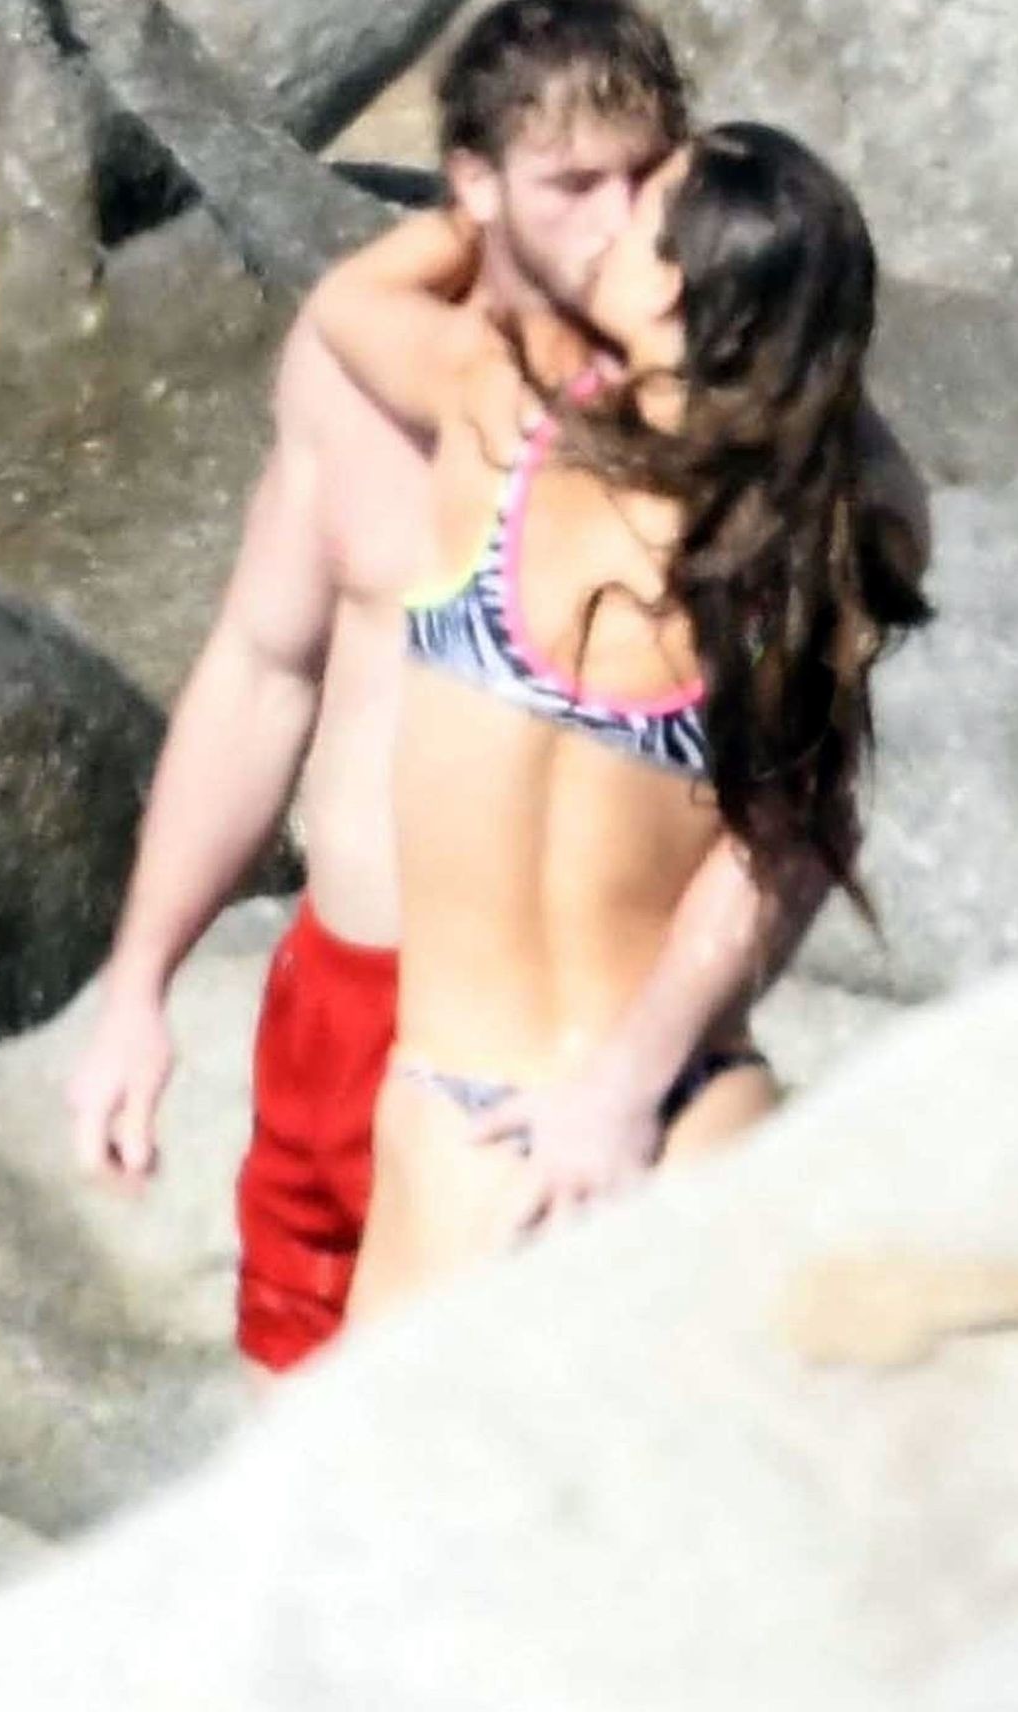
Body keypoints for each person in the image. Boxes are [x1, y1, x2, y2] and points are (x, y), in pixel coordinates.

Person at [65, 0, 877, 1374]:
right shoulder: (394, 379)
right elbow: (260, 674)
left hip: (598, 1045)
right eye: (572, 185)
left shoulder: (765, 451)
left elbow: (797, 813)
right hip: (359, 1009)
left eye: (645, 183)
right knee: (314, 1443)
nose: (614, 220)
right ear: (475, 186)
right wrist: (138, 984)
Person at [307, 122, 933, 1318]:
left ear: (670, 296)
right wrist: (623, 1092)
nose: (603, 217)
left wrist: (496, 197)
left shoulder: (498, 415)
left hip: (469, 1131)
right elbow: (787, 840)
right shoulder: (824, 531)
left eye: (635, 208)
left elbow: (353, 302)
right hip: (675, 1113)